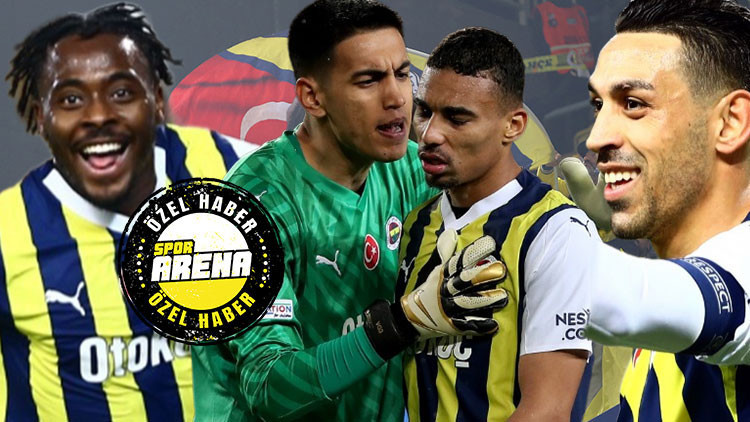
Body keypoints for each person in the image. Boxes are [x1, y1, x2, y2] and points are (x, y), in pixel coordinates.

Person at [191, 1, 507, 421]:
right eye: (369, 80)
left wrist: (569, 220)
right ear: (313, 97)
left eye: (401, 74)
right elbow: (269, 388)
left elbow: (505, 217)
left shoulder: (407, 171)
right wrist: (401, 323)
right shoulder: (249, 209)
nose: (397, 98)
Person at [0, 3, 254, 421]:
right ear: (42, 118)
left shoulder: (237, 174)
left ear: (156, 100)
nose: (98, 115)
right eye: (70, 99)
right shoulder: (10, 233)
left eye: (121, 93)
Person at [558, 0, 750, 419]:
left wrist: (527, 248)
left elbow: (647, 300)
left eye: (633, 104)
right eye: (599, 106)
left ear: (730, 122)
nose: (596, 137)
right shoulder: (674, 260)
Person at [398, 27, 598, 422]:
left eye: (457, 118)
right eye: (424, 112)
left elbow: (547, 413)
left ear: (513, 125)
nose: (430, 134)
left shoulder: (557, 232)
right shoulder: (416, 225)